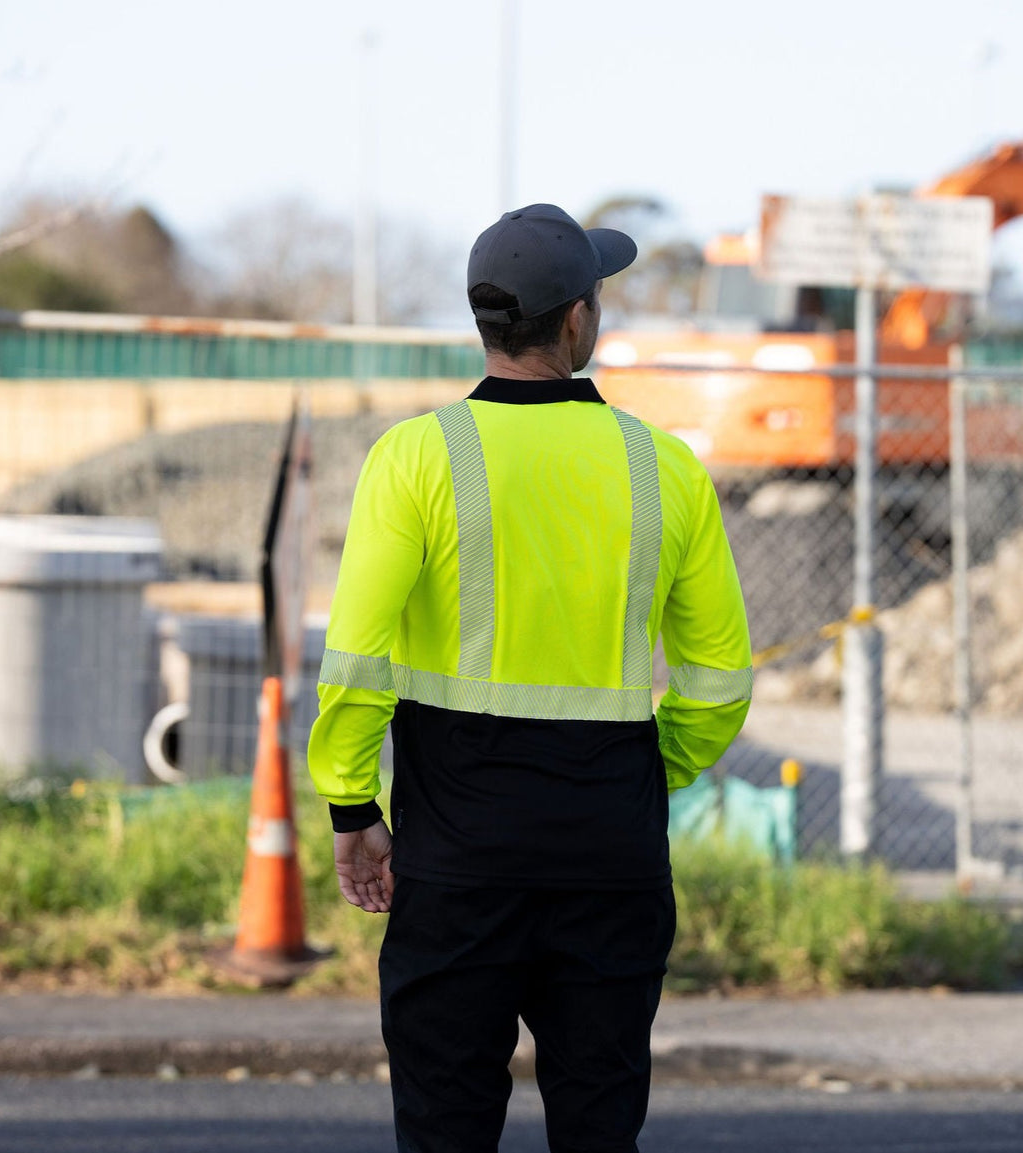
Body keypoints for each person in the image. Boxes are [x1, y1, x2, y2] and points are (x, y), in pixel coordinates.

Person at [308, 203, 752, 1153]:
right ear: (577, 321)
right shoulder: (665, 467)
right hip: (610, 855)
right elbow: (718, 683)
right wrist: (639, 774)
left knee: (444, 1125)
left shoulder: (415, 457)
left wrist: (353, 808)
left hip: (456, 857)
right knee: (598, 1127)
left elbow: (355, 658)